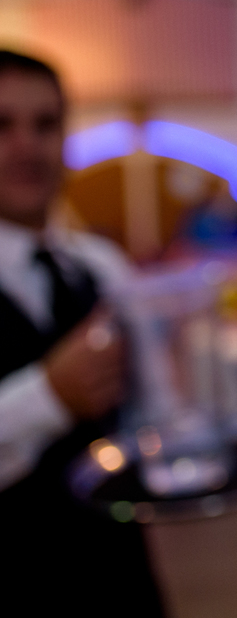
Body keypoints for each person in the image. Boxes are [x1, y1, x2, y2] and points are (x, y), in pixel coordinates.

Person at [0, 50, 163, 613]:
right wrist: (50, 395)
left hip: (115, 568)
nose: (27, 146)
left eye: (46, 125)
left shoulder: (101, 264)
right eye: (3, 126)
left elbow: (152, 408)